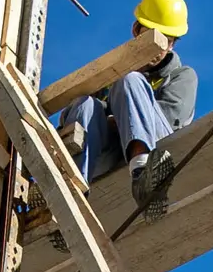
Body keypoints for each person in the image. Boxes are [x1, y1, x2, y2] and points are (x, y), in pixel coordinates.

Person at [56, 0, 198, 224]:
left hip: (157, 150)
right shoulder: (111, 76)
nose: (158, 45)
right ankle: (72, 195)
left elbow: (169, 121)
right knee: (86, 103)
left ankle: (144, 176)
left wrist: (119, 116)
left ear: (172, 45)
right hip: (109, 154)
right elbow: (71, 117)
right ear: (136, 30)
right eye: (152, 34)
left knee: (130, 80)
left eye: (166, 39)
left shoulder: (182, 76)